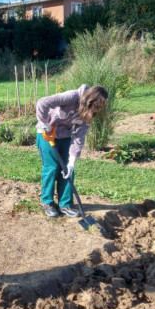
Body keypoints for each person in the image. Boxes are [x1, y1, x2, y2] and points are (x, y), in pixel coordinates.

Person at [35, 85, 109, 218]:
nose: (96, 110)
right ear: (89, 101)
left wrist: (71, 163)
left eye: (99, 108)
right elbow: (43, 103)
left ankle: (65, 204)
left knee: (67, 170)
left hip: (65, 137)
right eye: (96, 106)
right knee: (52, 168)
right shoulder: (72, 97)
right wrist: (44, 123)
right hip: (46, 133)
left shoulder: (89, 114)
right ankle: (47, 202)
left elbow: (79, 138)